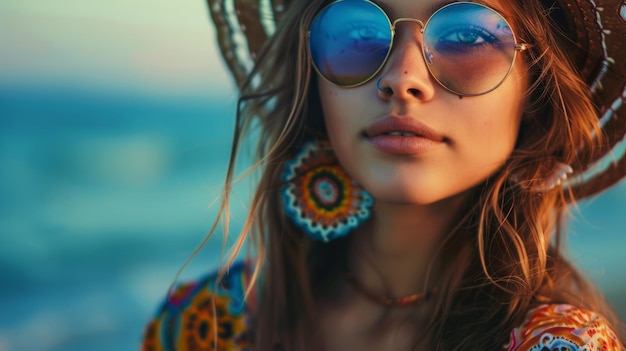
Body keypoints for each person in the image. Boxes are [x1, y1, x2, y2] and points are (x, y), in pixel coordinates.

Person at [142, 0, 626, 349]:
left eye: (467, 36)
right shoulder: (202, 323)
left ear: (535, 95)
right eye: (359, 34)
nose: (401, 78)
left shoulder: (561, 345)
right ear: (315, 84)